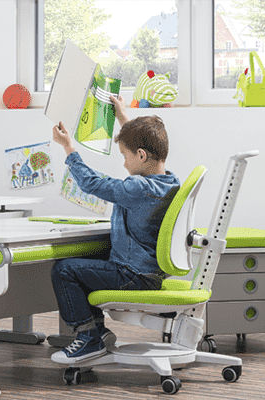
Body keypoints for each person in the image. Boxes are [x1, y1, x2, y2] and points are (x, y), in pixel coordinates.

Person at [50, 95, 180, 364]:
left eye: (124, 155)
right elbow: (142, 142)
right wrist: (123, 117)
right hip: (149, 273)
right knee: (83, 264)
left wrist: (69, 149)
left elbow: (92, 184)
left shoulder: (138, 188)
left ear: (141, 155)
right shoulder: (170, 182)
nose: (123, 163)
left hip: (133, 275)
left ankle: (88, 337)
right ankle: (97, 333)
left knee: (64, 270)